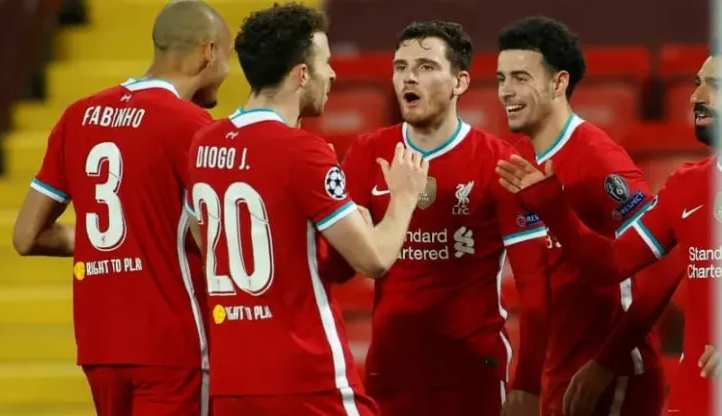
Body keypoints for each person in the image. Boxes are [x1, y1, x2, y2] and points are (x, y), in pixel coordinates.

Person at [184, 4, 428, 415]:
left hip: (233, 381)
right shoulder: (302, 151)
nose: (332, 75)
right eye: (325, 63)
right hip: (305, 378)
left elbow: (203, 240)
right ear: (301, 75)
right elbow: (374, 259)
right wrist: (404, 197)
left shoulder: (203, 143)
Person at [11, 1, 232, 415]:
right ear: (209, 51)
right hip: (172, 345)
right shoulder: (193, 127)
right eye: (228, 58)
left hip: (100, 346)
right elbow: (218, 244)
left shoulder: (78, 116)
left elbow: (26, 236)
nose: (227, 71)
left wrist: (116, 240)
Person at [324, 20, 551, 416]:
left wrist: (528, 383)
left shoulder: (499, 162)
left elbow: (535, 285)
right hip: (389, 372)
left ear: (460, 82)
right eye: (401, 67)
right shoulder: (367, 152)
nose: (409, 77)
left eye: (426, 67)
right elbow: (339, 270)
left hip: (472, 373)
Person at [495, 52, 722, 416]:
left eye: (715, 86)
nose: (697, 97)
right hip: (694, 399)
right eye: (697, 84)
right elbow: (613, 263)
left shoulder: (598, 154)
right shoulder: (687, 184)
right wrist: (555, 208)